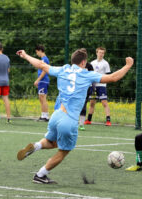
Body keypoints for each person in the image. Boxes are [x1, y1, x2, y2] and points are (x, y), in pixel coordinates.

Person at [16, 48, 134, 184]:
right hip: (69, 120)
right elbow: (112, 78)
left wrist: (25, 55)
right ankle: (41, 175)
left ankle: (36, 146)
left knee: (52, 142)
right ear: (84, 62)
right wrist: (127, 66)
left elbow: (41, 65)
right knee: (63, 151)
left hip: (57, 115)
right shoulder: (87, 74)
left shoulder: (64, 69)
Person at [84, 47, 112, 126]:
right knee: (92, 103)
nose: (101, 54)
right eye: (100, 53)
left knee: (104, 103)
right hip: (93, 86)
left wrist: (103, 81)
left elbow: (108, 75)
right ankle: (89, 120)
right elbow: (89, 74)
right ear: (97, 53)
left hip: (102, 86)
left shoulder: (105, 63)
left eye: (102, 53)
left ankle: (108, 120)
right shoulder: (92, 63)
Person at [35, 45, 50, 122]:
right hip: (42, 81)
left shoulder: (45, 59)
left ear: (40, 50)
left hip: (43, 81)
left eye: (37, 52)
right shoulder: (43, 59)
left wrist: (38, 80)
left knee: (43, 98)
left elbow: (44, 71)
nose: (37, 53)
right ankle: (43, 115)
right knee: (41, 98)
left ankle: (46, 116)